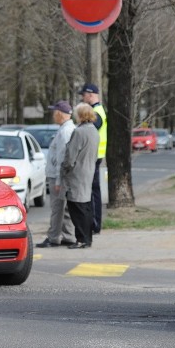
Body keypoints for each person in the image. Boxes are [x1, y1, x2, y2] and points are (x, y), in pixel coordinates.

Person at [58, 102, 100, 249]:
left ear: (80, 115)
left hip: (76, 175)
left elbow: (70, 156)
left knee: (76, 209)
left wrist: (64, 169)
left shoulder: (79, 132)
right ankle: (87, 239)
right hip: (88, 171)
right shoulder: (94, 130)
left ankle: (81, 239)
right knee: (86, 207)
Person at [36, 100, 76, 248]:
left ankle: (53, 237)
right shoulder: (65, 129)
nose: (53, 115)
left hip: (57, 176)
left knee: (57, 208)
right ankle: (68, 235)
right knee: (63, 208)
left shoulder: (65, 131)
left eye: (54, 112)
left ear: (60, 114)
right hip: (59, 175)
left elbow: (61, 157)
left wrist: (59, 180)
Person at [79, 83, 107, 234]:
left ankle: (95, 224)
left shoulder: (96, 113)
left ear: (90, 95)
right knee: (93, 191)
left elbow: (89, 131)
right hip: (95, 156)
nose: (83, 98)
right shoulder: (98, 110)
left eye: (84, 95)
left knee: (93, 192)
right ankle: (94, 223)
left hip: (94, 157)